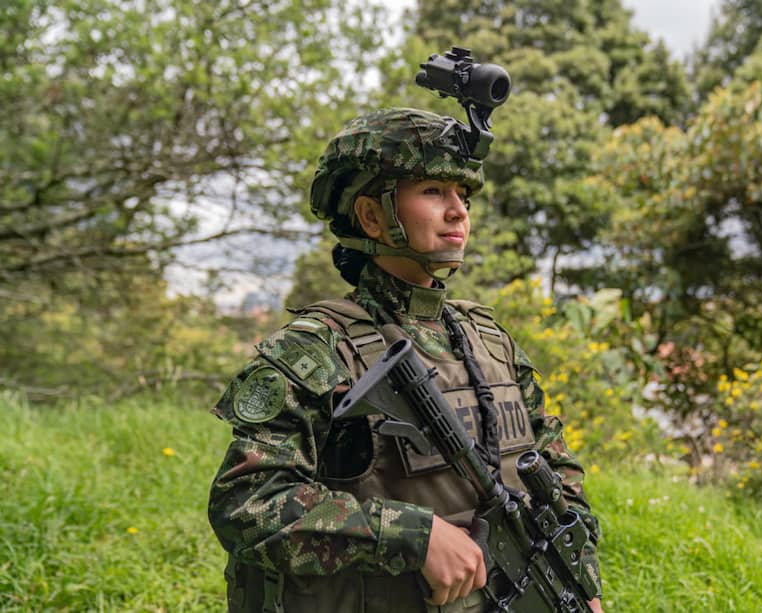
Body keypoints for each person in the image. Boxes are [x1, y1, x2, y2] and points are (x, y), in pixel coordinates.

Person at [208, 107, 604, 613]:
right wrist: (410, 537)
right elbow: (246, 504)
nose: (458, 210)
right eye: (433, 191)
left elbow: (556, 469)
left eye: (463, 195)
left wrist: (581, 580)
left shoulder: (491, 341)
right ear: (372, 216)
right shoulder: (315, 350)